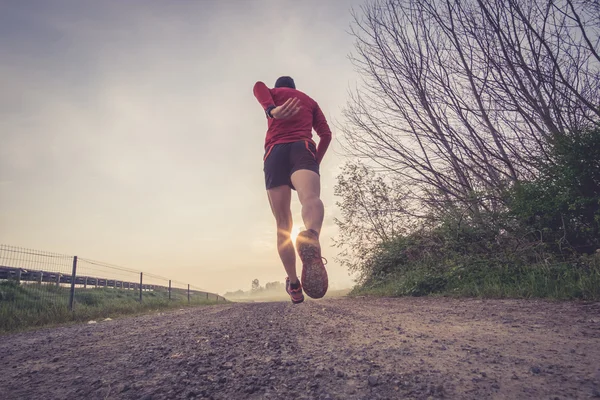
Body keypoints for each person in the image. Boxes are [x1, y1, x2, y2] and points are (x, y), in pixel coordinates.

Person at [253, 76, 332, 304]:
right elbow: (326, 134)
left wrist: (271, 110)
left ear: (278, 87)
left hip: (275, 152)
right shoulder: (309, 101)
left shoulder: (272, 93)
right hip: (302, 148)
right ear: (294, 87)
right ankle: (312, 235)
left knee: (282, 224)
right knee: (310, 197)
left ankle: (294, 284)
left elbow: (258, 86)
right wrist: (314, 161)